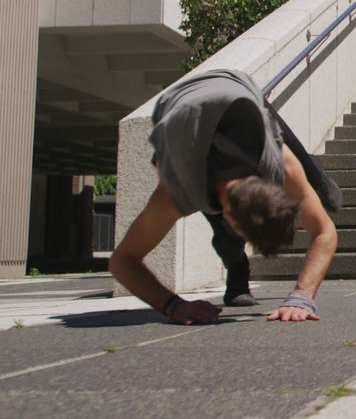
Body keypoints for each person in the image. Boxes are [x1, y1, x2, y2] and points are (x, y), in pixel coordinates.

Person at [110, 69, 341, 324]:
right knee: (222, 231)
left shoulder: (281, 165)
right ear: (228, 214)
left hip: (238, 90)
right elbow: (122, 262)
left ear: (275, 188)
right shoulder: (177, 190)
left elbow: (324, 232)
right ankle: (236, 264)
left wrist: (302, 297)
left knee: (277, 139)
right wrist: (172, 305)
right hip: (178, 108)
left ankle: (315, 172)